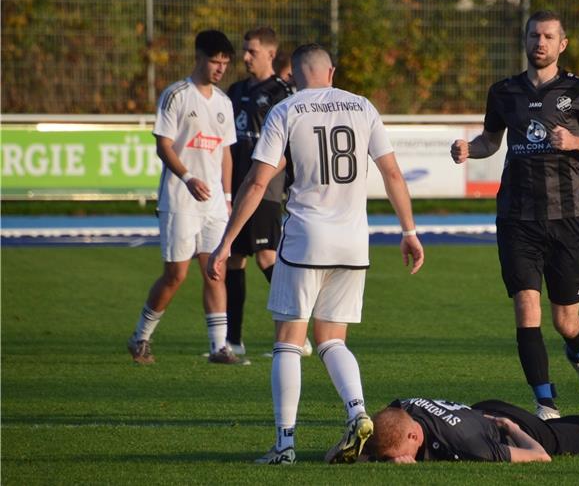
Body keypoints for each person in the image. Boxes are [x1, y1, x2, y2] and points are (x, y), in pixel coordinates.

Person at [207, 43, 425, 465]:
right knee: (331, 340)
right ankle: (358, 412)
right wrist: (409, 231)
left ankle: (284, 445)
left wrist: (226, 241)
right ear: (332, 71)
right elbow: (393, 173)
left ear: (295, 75)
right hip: (352, 242)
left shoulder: (286, 110)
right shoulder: (363, 107)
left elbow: (256, 183)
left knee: (288, 343)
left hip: (307, 237)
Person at [450, 10, 579, 419]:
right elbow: (490, 141)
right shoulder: (503, 92)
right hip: (517, 219)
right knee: (527, 308)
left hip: (569, 220)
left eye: (547, 36)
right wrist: (467, 150)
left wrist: (576, 141)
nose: (539, 43)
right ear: (525, 41)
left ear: (562, 44)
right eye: (533, 36)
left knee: (566, 321)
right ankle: (546, 403)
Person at [126, 30, 240, 365]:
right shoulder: (176, 95)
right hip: (180, 198)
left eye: (224, 63)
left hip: (215, 202)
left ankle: (219, 346)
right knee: (176, 274)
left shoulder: (223, 102)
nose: (220, 68)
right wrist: (188, 178)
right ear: (199, 57)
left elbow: (226, 153)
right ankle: (140, 338)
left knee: (215, 269)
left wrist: (229, 196)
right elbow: (163, 145)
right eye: (215, 61)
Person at [224, 27, 312, 361]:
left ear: (270, 54)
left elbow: (291, 144)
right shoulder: (234, 91)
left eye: (252, 51)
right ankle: (233, 341)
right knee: (235, 258)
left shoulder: (284, 92)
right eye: (244, 50)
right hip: (239, 186)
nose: (245, 57)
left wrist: (263, 176)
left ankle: (298, 333)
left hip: (267, 189)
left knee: (266, 256)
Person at [366, 392, 579, 463]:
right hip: (487, 409)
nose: (397, 460)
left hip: (507, 427)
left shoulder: (469, 446)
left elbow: (540, 457)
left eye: (401, 452)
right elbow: (384, 426)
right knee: (558, 430)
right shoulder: (405, 407)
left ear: (413, 434)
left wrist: (511, 427)